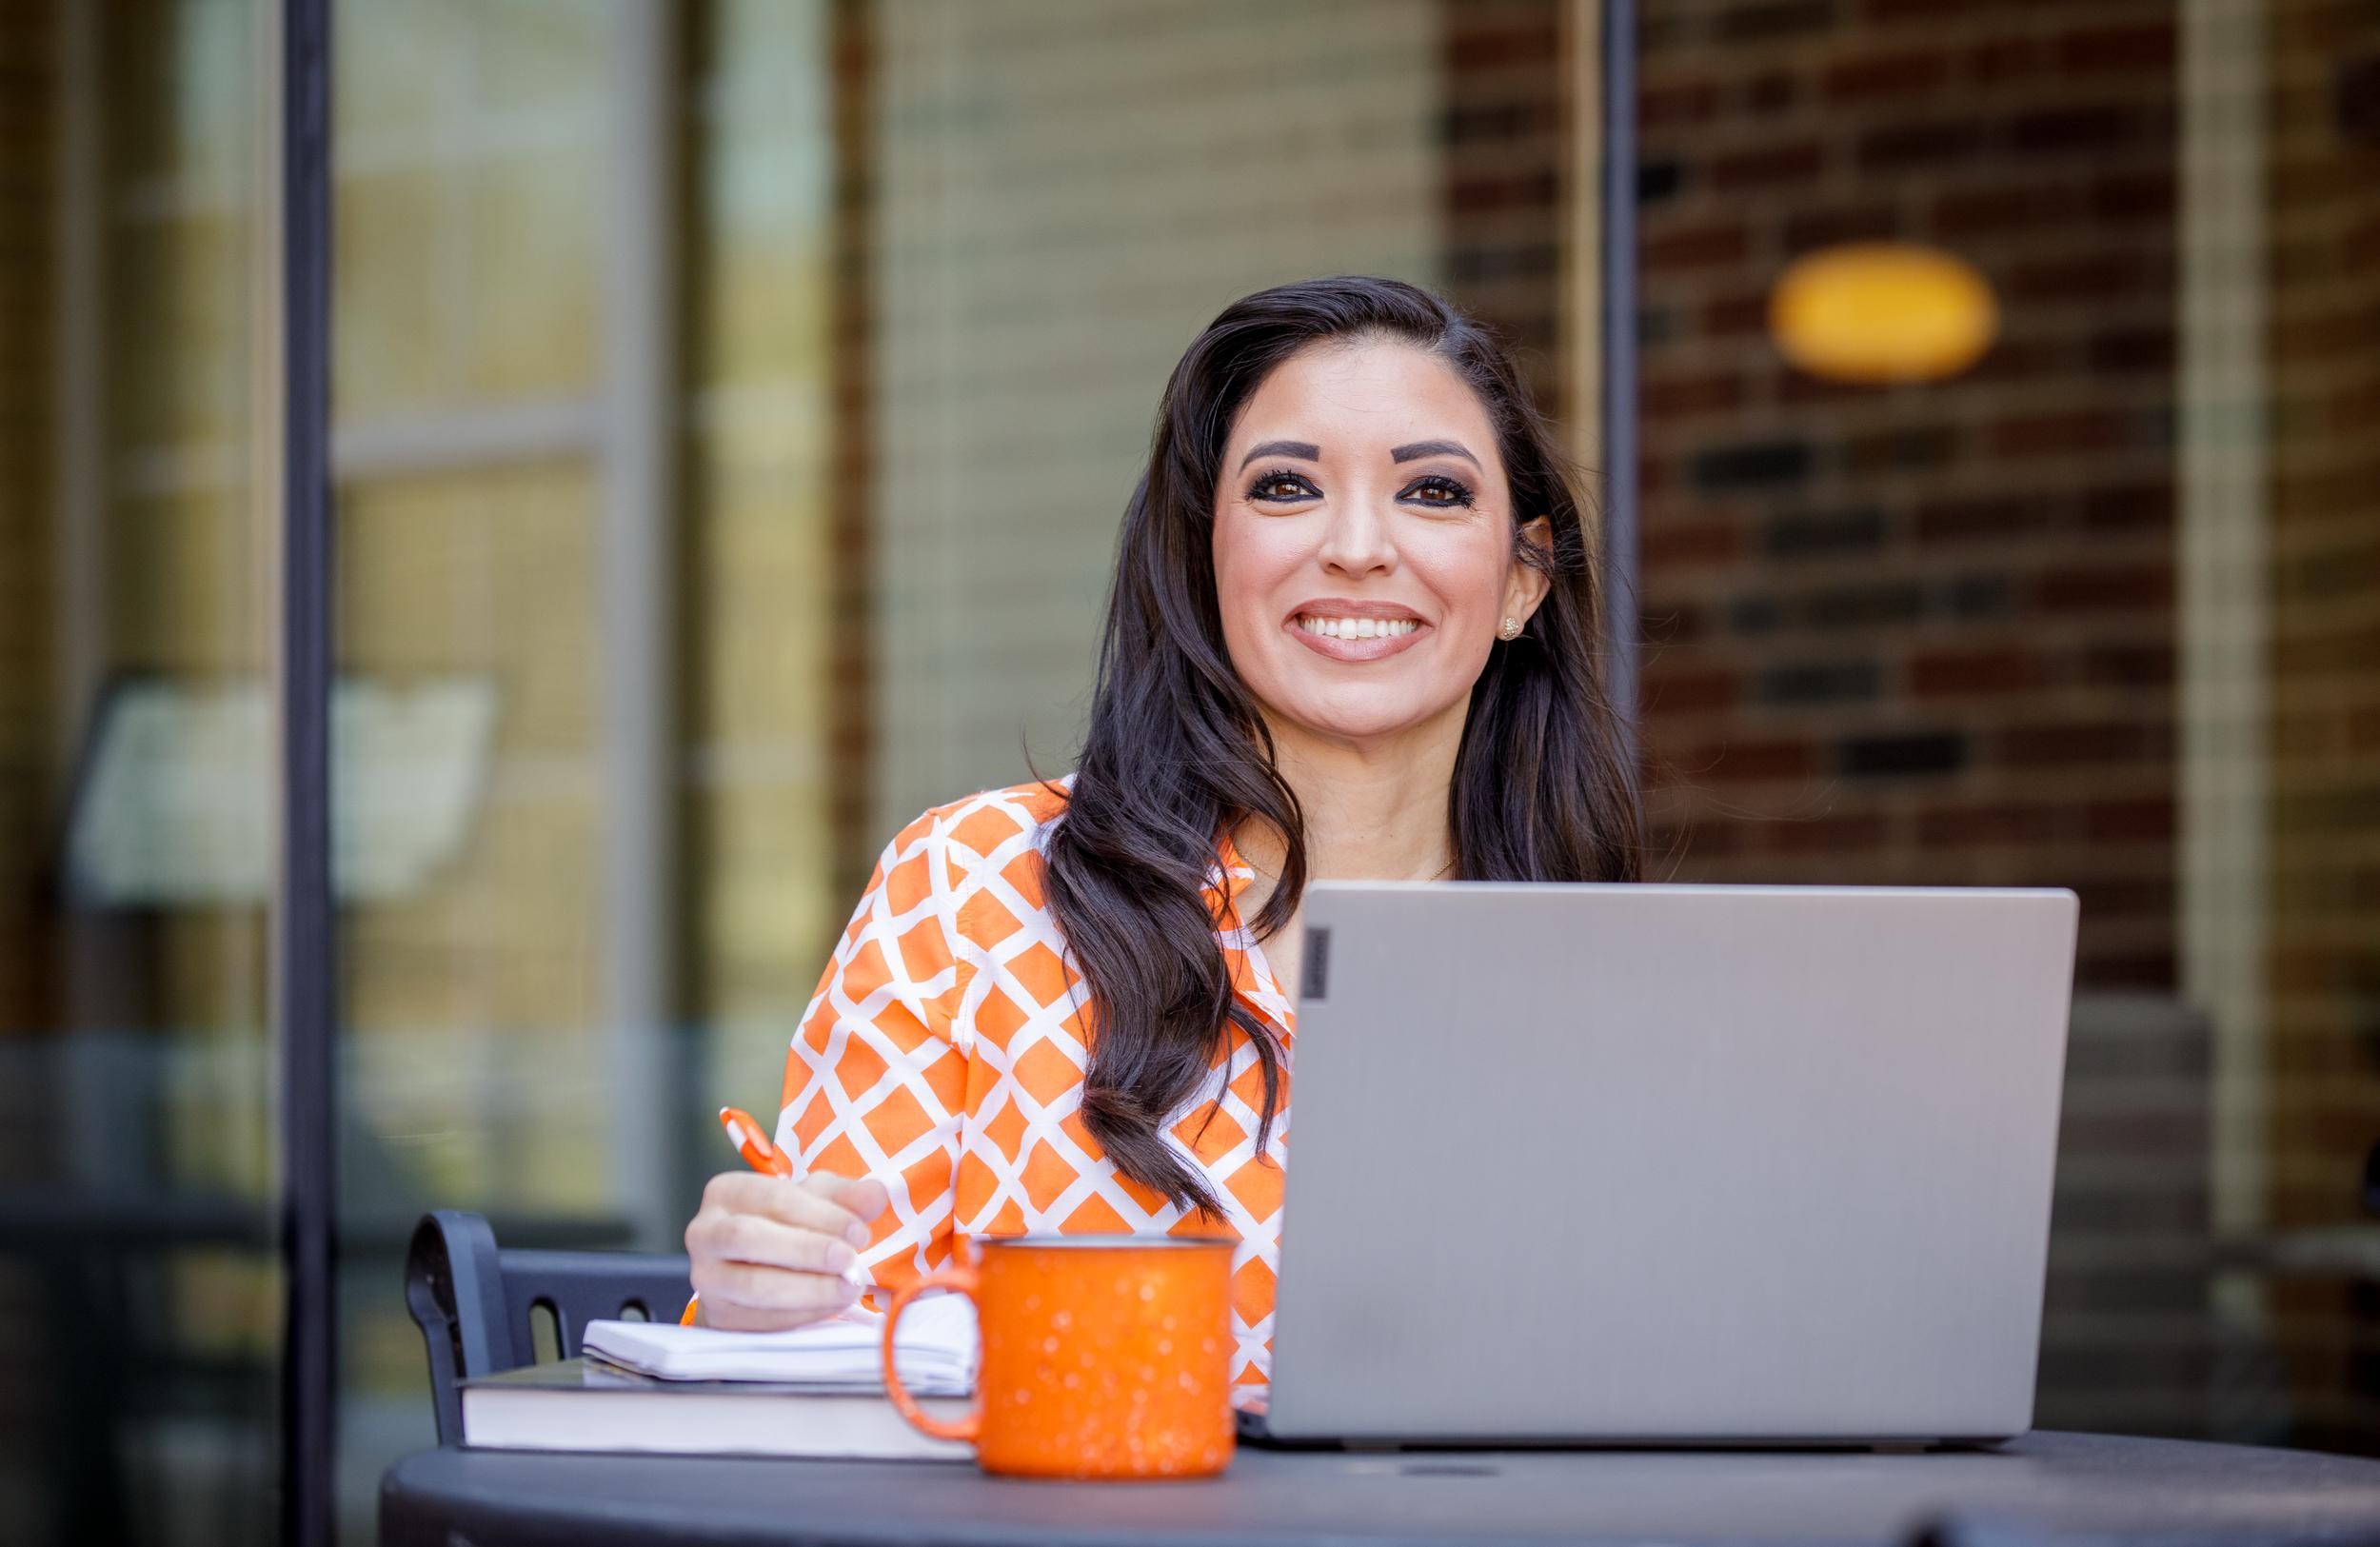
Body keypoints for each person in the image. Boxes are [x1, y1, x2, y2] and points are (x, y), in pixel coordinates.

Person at [683, 274, 1642, 1398]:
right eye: (1287, 486)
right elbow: (811, 1366)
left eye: (1432, 491)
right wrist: (763, 1290)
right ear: (1202, 552)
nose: (1358, 545)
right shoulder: (973, 890)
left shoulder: (1611, 975)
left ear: (1522, 579)